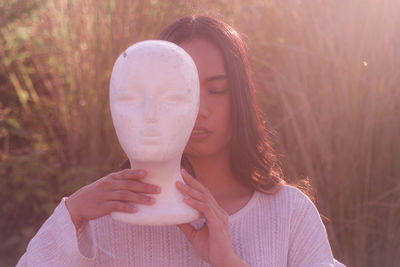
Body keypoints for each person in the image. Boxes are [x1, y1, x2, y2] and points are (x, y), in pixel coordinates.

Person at [17, 15, 345, 266]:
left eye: (216, 89)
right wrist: (71, 215)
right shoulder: (101, 220)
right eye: (180, 93)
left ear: (241, 99)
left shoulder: (288, 213)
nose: (199, 108)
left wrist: (228, 261)